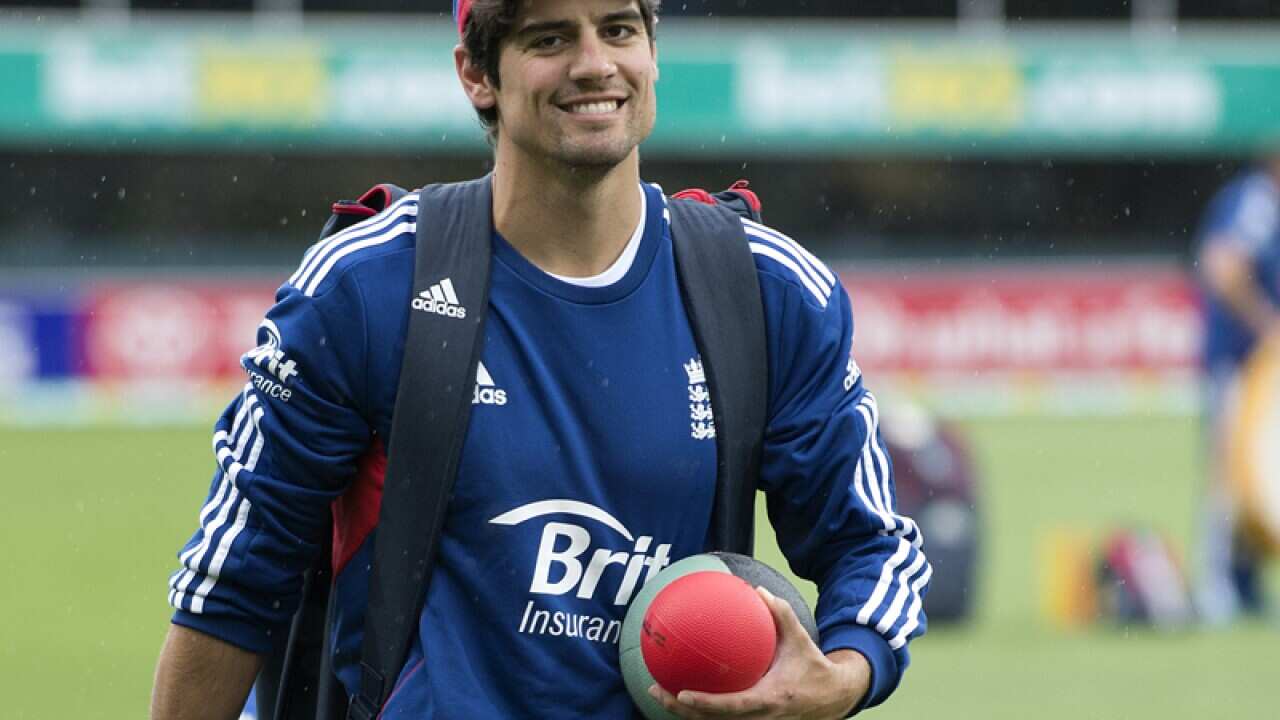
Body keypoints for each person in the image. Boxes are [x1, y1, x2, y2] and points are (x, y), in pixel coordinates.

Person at [150, 1, 930, 717]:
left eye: (619, 29)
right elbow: (231, 586)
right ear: (477, 75)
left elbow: (872, 542)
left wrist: (844, 675)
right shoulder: (365, 288)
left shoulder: (765, 289)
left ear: (653, 54)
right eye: (550, 38)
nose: (595, 64)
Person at [1194, 150, 1280, 624]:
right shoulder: (1254, 203)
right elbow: (1222, 266)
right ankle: (1218, 589)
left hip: (1265, 371)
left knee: (1261, 479)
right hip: (1240, 364)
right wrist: (1266, 323)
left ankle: (1246, 586)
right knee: (1228, 478)